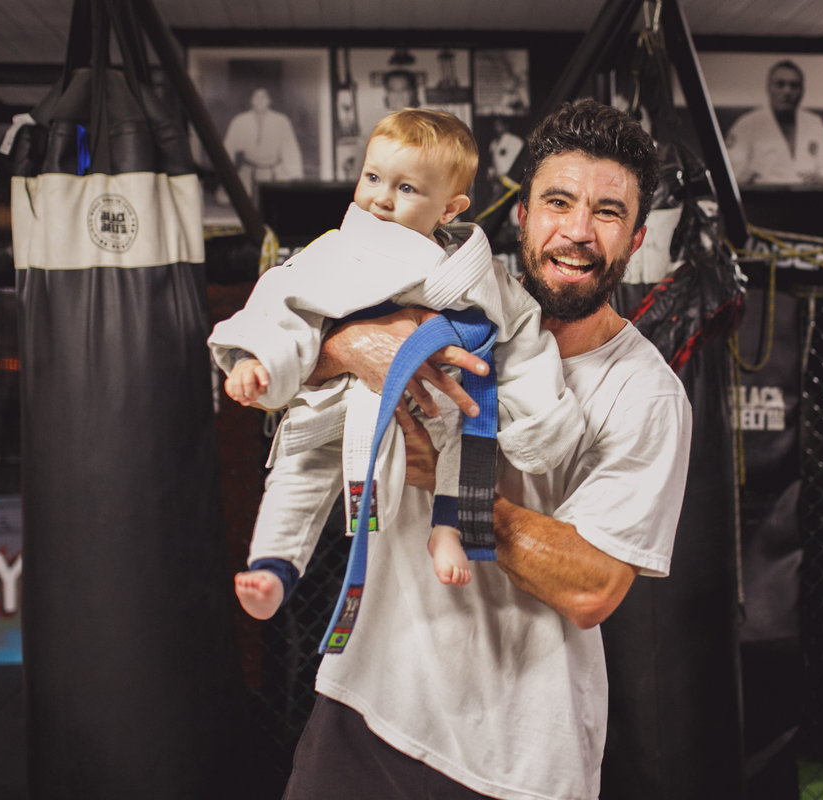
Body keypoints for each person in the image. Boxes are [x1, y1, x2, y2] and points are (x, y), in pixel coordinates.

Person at [279, 99, 693, 800]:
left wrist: (453, 485)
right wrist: (349, 348)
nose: (578, 231)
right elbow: (269, 354)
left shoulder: (645, 393)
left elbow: (592, 586)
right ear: (523, 215)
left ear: (636, 237)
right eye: (558, 202)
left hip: (515, 757)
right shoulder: (441, 295)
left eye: (608, 212)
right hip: (366, 703)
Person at [210, 109, 582, 607]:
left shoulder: (475, 268)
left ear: (450, 209)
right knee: (299, 471)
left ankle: (446, 528)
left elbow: (522, 330)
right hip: (343, 401)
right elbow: (283, 299)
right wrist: (257, 361)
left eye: (407, 189)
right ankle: (274, 567)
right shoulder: (336, 249)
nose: (381, 198)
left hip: (435, 402)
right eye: (373, 177)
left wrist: (541, 421)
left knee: (471, 438)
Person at [725, 60, 823, 187]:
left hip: (807, 198)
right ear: (769, 88)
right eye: (780, 84)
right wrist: (739, 177)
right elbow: (729, 166)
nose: (787, 91)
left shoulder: (814, 123)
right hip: (762, 199)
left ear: (802, 91)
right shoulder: (747, 124)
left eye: (794, 86)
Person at [219, 87, 303, 204]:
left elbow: (290, 149)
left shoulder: (281, 121)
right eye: (256, 97)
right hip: (248, 171)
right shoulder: (240, 120)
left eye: (263, 97)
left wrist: (294, 174)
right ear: (251, 100)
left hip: (274, 172)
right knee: (229, 200)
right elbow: (229, 147)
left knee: (281, 201)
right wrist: (227, 175)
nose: (259, 100)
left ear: (270, 100)